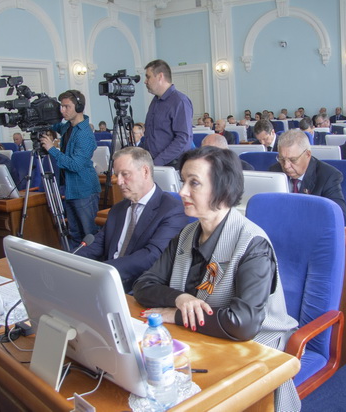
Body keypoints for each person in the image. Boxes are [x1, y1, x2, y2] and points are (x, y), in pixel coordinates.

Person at [133, 146, 300, 411]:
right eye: (184, 181)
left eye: (194, 183)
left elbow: (243, 324)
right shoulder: (187, 234)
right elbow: (143, 285)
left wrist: (175, 314)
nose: (182, 191)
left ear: (222, 191)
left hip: (255, 345)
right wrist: (182, 299)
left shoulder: (252, 244)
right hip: (204, 337)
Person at [76, 147, 188, 292]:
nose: (119, 181)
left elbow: (152, 256)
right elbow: (98, 243)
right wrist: (68, 261)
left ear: (145, 172)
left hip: (139, 288)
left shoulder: (172, 209)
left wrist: (104, 271)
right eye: (117, 175)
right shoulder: (118, 209)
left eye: (125, 174)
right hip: (108, 281)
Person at [40, 89, 100, 248]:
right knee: (74, 233)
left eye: (67, 107)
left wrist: (52, 149)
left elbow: (75, 165)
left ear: (79, 107)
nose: (63, 110)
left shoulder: (85, 134)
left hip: (84, 190)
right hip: (71, 189)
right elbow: (54, 124)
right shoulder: (68, 127)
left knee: (88, 234)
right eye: (61, 106)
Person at [268, 129, 346, 220]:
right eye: (281, 159)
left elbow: (339, 216)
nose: (286, 166)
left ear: (308, 154)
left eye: (293, 160)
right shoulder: (274, 171)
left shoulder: (328, 176)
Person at [141, 59, 193, 167]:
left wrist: (157, 162)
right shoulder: (155, 101)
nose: (145, 81)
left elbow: (182, 139)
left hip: (171, 165)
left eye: (148, 76)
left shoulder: (180, 101)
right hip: (154, 163)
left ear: (160, 76)